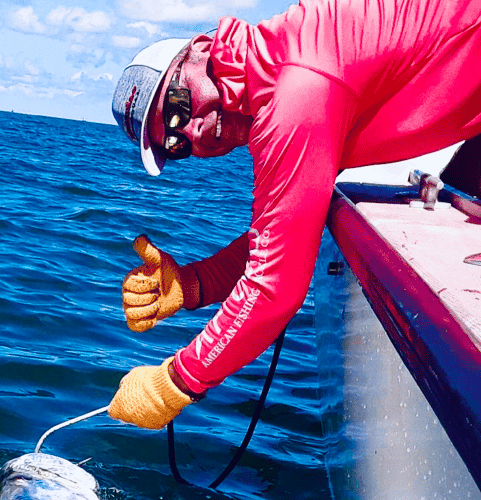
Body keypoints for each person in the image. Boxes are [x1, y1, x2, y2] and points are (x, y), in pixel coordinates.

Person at [107, 0, 481, 430]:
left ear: (200, 48)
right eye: (175, 143)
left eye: (178, 104)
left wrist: (174, 382)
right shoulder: (274, 77)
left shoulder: (292, 89)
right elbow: (279, 237)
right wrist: (195, 284)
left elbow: (274, 287)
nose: (191, 129)